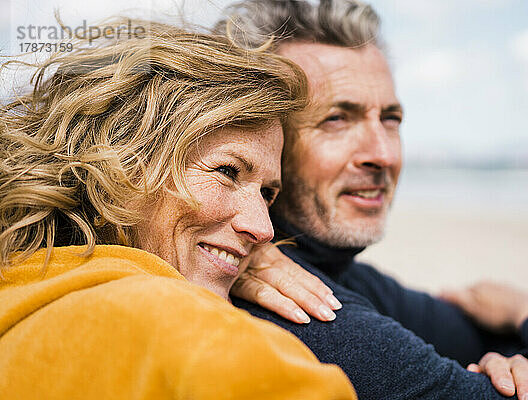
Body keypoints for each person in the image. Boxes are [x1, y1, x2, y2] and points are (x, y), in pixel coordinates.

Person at [213, 1, 528, 399]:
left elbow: (480, 337)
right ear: (261, 136)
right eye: (337, 119)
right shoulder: (303, 310)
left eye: (390, 119)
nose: (383, 154)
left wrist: (514, 365)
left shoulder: (345, 275)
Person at [0, 18, 356, 399]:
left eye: (268, 194)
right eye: (227, 171)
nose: (264, 230)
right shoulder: (209, 346)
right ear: (117, 167)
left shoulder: (20, 288)